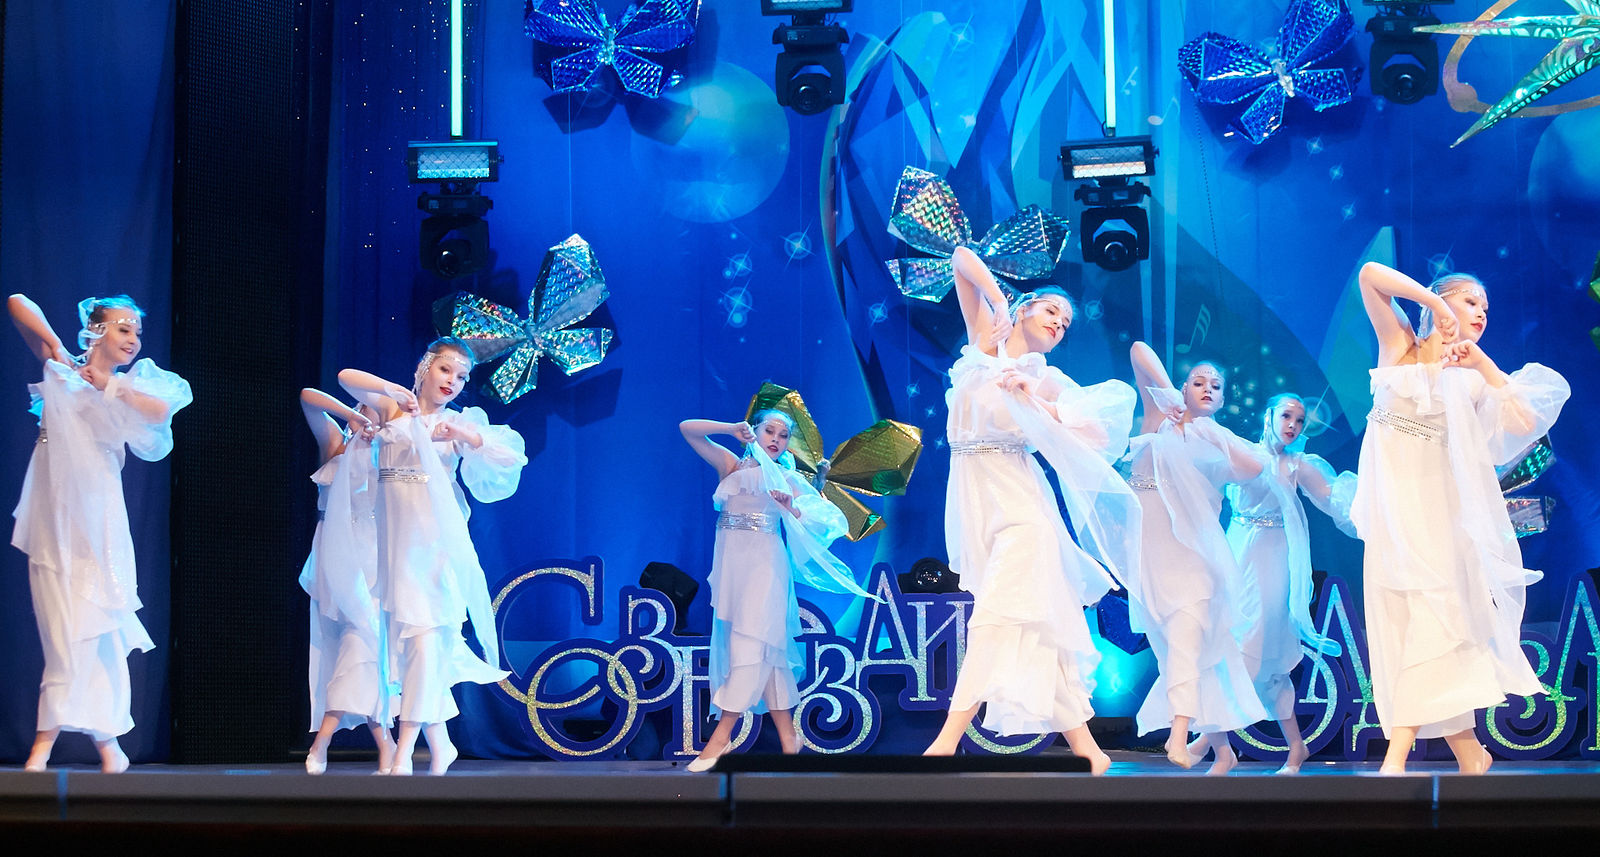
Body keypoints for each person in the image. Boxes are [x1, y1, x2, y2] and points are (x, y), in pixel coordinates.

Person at [920, 246, 1140, 775]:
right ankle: (1090, 751)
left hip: (1022, 506)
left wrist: (1035, 400)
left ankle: (945, 741)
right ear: (1026, 308)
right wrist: (998, 301)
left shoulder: (1045, 377)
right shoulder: (985, 340)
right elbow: (961, 257)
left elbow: (1104, 425)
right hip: (978, 502)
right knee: (1036, 627)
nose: (1059, 324)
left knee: (996, 616)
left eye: (1066, 323)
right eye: (1052, 311)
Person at [1351, 262, 1568, 775]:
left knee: (1435, 621)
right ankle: (1471, 754)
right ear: (1443, 301)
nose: (1481, 313)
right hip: (1394, 520)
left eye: (1486, 308)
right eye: (1471, 301)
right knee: (1407, 627)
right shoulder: (1399, 348)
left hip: (1442, 520)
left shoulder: (1472, 379)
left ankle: (1396, 756)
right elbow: (1369, 275)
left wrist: (1482, 363)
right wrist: (1431, 304)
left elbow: (1526, 420)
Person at [9, 294, 191, 773]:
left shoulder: (131, 385)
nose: (132, 340)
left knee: (98, 627)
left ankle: (65, 745)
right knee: (61, 629)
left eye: (136, 332)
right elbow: (17, 302)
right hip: (53, 518)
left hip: (100, 521)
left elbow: (160, 414)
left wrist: (110, 384)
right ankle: (105, 746)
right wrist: (60, 349)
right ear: (96, 331)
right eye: (123, 329)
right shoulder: (61, 370)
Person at [338, 337, 527, 775]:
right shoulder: (391, 409)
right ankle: (441, 745)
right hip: (394, 551)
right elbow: (346, 378)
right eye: (446, 370)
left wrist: (465, 435)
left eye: (462, 377)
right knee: (410, 651)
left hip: (436, 551)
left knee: (425, 642)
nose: (453, 381)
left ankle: (405, 748)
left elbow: (510, 457)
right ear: (425, 368)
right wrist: (391, 389)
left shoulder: (454, 422)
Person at [678, 408, 873, 772]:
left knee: (749, 646)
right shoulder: (731, 466)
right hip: (733, 570)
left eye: (783, 436)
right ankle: (789, 740)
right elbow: (687, 428)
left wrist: (792, 509)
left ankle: (720, 738)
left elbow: (830, 521)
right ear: (754, 430)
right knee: (768, 653)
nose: (776, 440)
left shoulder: (786, 477)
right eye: (770, 431)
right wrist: (730, 429)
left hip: (766, 569)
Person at [1192, 393, 1356, 774]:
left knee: (1251, 645)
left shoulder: (1298, 465)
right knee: (1236, 648)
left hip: (1272, 560)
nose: (1293, 426)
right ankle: (1295, 747)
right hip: (1235, 551)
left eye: (1299, 420)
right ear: (1268, 416)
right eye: (1286, 416)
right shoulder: (1243, 453)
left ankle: (1211, 739)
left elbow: (1336, 500)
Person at [1126, 342, 1266, 775]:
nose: (1207, 388)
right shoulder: (1158, 419)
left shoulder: (1216, 442)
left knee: (1186, 641)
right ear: (1184, 388)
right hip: (1152, 559)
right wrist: (1168, 393)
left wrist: (1214, 432)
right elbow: (1138, 351)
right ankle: (1223, 751)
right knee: (1181, 654)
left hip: (1195, 562)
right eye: (1198, 382)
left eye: (1216, 386)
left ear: (1222, 400)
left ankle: (1179, 732)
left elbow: (1254, 469)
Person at [297, 388, 397, 774]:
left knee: (364, 647)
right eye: (368, 407)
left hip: (376, 559)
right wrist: (349, 417)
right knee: (353, 646)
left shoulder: (392, 451)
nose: (375, 417)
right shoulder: (336, 444)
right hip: (336, 557)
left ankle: (325, 741)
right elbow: (308, 397)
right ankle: (384, 744)